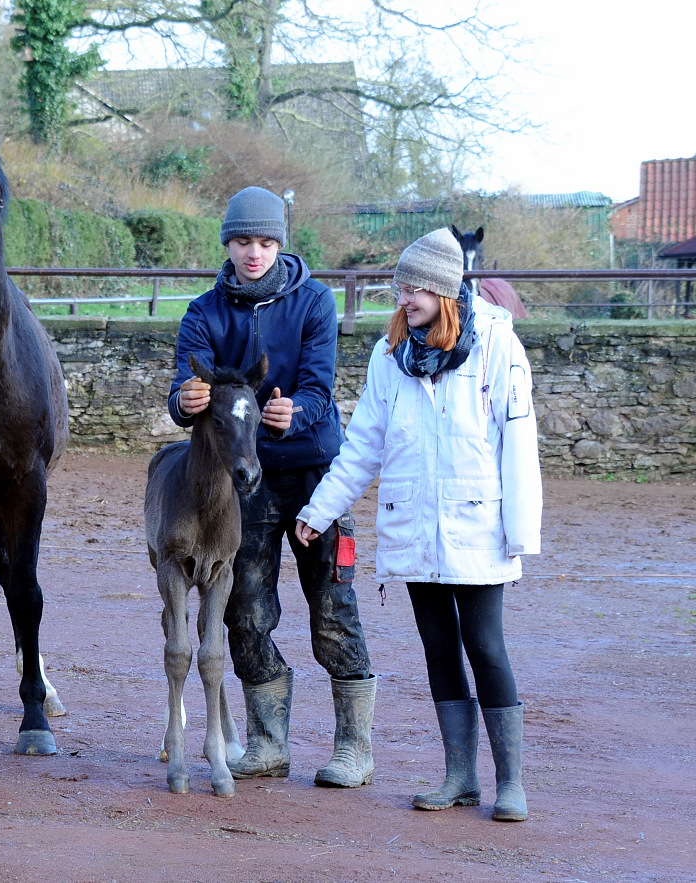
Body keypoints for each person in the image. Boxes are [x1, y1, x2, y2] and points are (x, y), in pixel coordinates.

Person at [294, 226, 541, 821]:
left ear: (446, 289)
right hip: (415, 525)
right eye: (400, 287)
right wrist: (317, 510)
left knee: (485, 646)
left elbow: (519, 443)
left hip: (478, 523)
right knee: (438, 649)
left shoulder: (497, 348)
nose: (404, 298)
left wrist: (520, 534)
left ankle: (512, 784)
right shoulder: (389, 356)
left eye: (417, 289)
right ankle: (459, 776)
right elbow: (362, 447)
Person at [167, 186, 375, 788]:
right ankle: (265, 742)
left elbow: (318, 384)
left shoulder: (313, 301)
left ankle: (354, 747)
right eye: (241, 241)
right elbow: (185, 377)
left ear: (279, 243)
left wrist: (298, 414)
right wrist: (184, 400)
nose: (252, 252)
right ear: (227, 244)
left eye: (263, 241)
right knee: (245, 609)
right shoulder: (204, 311)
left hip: (313, 474)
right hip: (243, 479)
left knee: (332, 609)